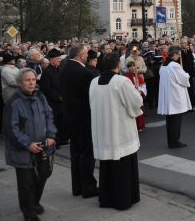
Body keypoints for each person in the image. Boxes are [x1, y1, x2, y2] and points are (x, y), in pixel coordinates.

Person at [87, 53, 143, 210]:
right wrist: (137, 93)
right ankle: (124, 199)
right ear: (118, 65)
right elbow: (136, 102)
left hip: (103, 129)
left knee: (107, 165)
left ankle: (106, 198)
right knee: (123, 166)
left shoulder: (93, 82)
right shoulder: (122, 81)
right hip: (120, 130)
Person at [3, 68, 56, 221]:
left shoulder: (40, 96)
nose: (31, 83)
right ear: (20, 83)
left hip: (42, 147)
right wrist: (27, 144)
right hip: (23, 151)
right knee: (26, 183)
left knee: (42, 176)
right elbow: (10, 130)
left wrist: (51, 135)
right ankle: (29, 213)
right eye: (27, 80)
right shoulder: (13, 103)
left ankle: (34, 203)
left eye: (33, 79)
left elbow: (49, 115)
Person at [59, 43, 98, 198]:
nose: (87, 56)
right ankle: (88, 187)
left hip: (70, 117)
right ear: (81, 56)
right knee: (87, 154)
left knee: (75, 153)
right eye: (86, 53)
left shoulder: (64, 69)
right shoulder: (83, 73)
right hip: (84, 118)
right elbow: (92, 96)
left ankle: (77, 187)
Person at [158, 46, 192, 148]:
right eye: (178, 54)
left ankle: (171, 141)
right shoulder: (175, 66)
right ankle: (175, 141)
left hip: (168, 96)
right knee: (176, 120)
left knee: (170, 121)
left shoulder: (163, 65)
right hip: (175, 96)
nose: (179, 56)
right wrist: (186, 74)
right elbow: (183, 78)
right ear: (174, 54)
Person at [39, 48, 65, 147]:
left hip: (60, 102)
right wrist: (58, 97)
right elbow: (46, 89)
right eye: (58, 58)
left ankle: (61, 139)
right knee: (54, 122)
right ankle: (54, 141)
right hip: (52, 103)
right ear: (52, 59)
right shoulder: (47, 72)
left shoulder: (59, 69)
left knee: (60, 122)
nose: (59, 60)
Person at [124, 59, 147, 130]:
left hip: (138, 96)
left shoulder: (139, 77)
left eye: (134, 67)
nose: (133, 68)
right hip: (131, 97)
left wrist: (141, 92)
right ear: (128, 69)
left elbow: (143, 86)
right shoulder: (126, 78)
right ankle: (135, 126)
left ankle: (141, 125)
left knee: (140, 110)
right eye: (130, 67)